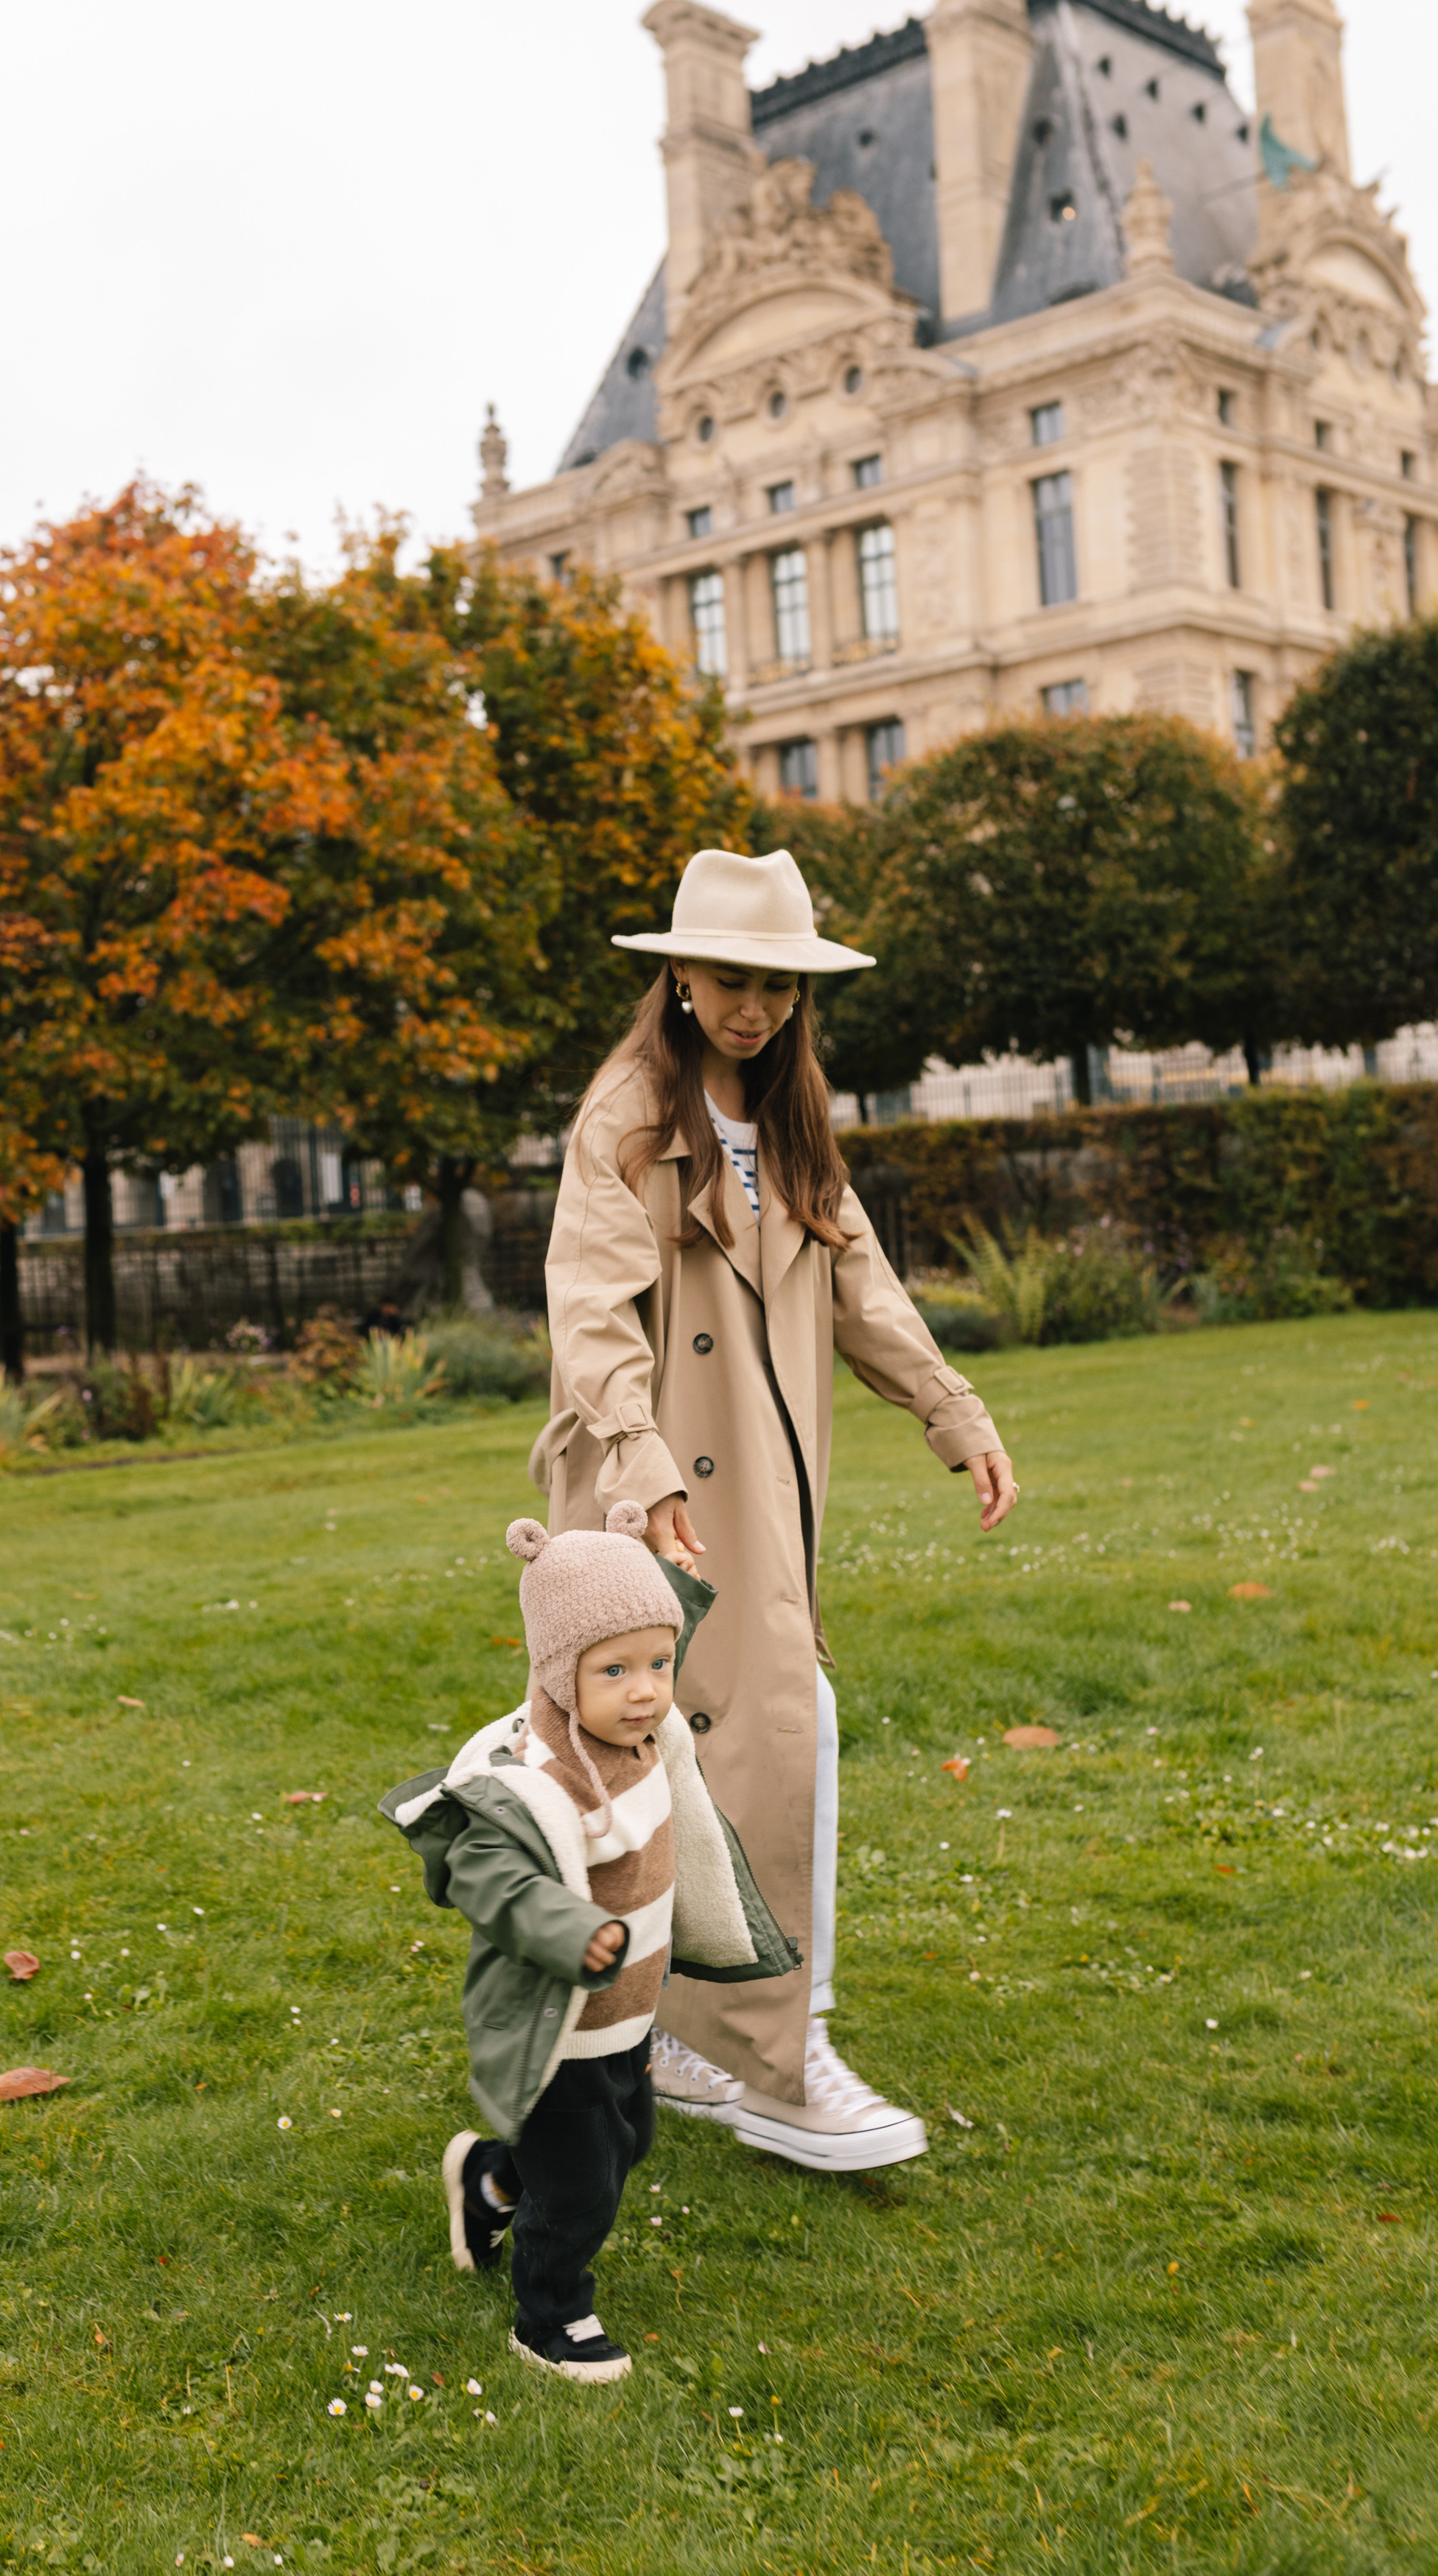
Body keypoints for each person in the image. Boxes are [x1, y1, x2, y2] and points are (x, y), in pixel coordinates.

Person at [529, 847, 1018, 2174]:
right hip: (659, 1491)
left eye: (780, 987)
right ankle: (777, 2059)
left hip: (754, 1484)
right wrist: (637, 1464)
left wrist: (950, 1409)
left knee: (725, 1747)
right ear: (680, 977)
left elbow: (861, 1283)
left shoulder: (788, 1111)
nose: (755, 1007)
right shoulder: (629, 1111)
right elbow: (591, 1306)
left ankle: (694, 2028)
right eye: (733, 981)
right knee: (723, 1743)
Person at [379, 1502, 796, 2383]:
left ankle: (492, 2181)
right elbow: (490, 1881)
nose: (645, 1688)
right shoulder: (528, 1789)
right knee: (581, 2186)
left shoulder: (650, 1744)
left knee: (630, 2140)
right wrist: (573, 1931)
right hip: (560, 2023)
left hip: (627, 2014)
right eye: (614, 1670)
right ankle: (551, 2316)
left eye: (658, 1662)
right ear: (561, 1675)